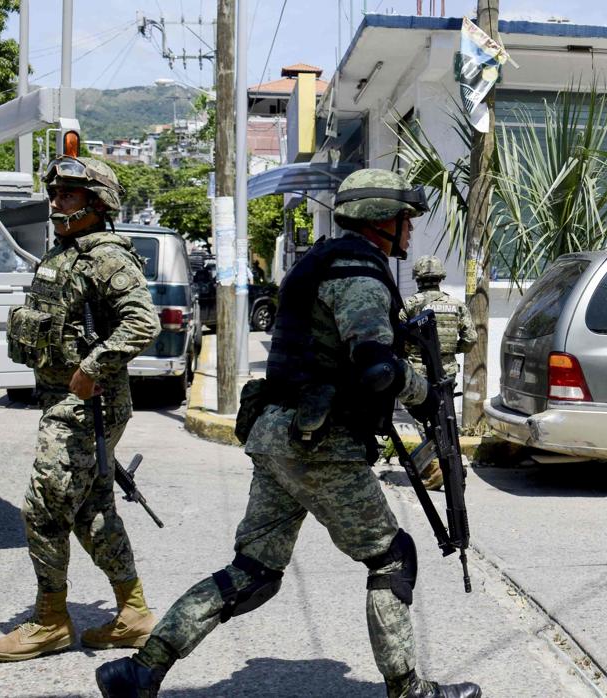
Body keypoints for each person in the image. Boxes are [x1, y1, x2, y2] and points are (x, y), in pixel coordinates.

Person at [95, 169, 481, 698]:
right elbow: (375, 369)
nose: (411, 230)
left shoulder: (319, 260)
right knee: (392, 557)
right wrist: (423, 389)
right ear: (381, 220)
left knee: (254, 569)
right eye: (405, 219)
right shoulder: (359, 275)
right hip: (320, 445)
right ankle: (408, 689)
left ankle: (142, 669)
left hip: (277, 434)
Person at [0, 156, 161, 661]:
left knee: (43, 510)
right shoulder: (66, 253)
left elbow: (141, 323)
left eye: (69, 193)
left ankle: (50, 621)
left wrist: (90, 369)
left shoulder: (106, 258)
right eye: (56, 192)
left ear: (97, 202)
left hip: (86, 406)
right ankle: (134, 614)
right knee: (92, 512)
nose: (56, 200)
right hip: (63, 402)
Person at [402, 255, 476, 490]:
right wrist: (451, 350)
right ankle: (452, 467)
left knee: (425, 419)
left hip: (419, 371)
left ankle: (436, 467)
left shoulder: (411, 304)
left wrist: (410, 352)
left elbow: (397, 336)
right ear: (441, 278)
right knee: (446, 418)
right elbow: (470, 338)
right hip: (447, 372)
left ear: (418, 278)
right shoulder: (456, 304)